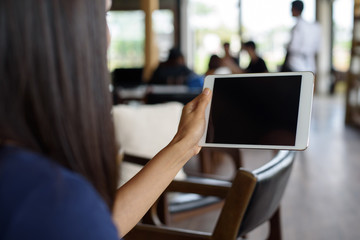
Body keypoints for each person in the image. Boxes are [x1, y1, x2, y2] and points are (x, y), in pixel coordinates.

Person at [0, 0, 212, 239]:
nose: (108, 36)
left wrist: (184, 144)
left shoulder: (38, 190)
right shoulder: (53, 198)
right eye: (103, 14)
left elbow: (100, 223)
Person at [281, 0, 321, 73]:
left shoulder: (298, 27)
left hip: (295, 65)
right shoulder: (313, 27)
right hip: (309, 66)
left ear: (296, 9)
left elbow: (292, 47)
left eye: (291, 9)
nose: (290, 11)